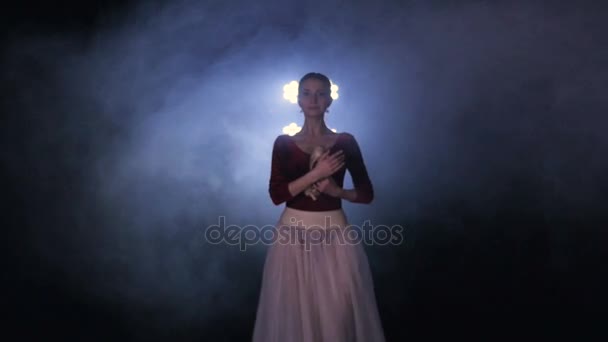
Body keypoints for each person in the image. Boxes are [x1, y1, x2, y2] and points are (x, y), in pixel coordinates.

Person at [252, 72, 386, 342]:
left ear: (330, 100)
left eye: (321, 93)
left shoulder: (345, 142)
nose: (313, 99)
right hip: (292, 239)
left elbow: (366, 194)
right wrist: (317, 173)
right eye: (307, 93)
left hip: (336, 238)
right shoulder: (283, 144)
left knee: (337, 317)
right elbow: (277, 195)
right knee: (293, 317)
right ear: (298, 100)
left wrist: (337, 191)